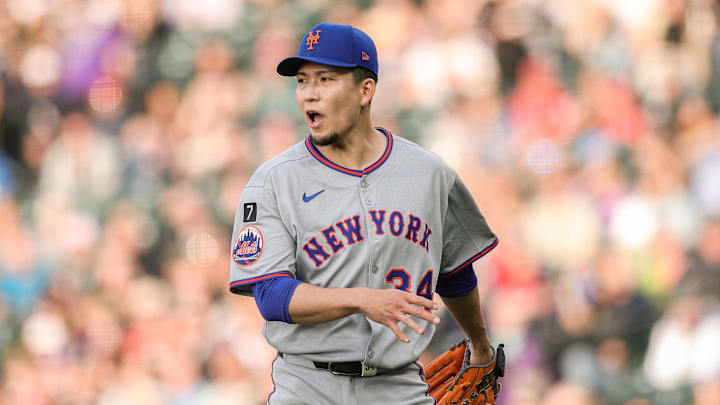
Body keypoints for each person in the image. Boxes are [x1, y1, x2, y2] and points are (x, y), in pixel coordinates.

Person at [229, 22, 499, 404]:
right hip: (307, 386)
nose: (310, 95)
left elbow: (454, 273)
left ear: (365, 90)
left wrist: (480, 346)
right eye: (302, 81)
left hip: (398, 386)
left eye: (325, 79)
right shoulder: (273, 181)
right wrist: (362, 299)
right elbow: (271, 295)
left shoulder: (429, 173)